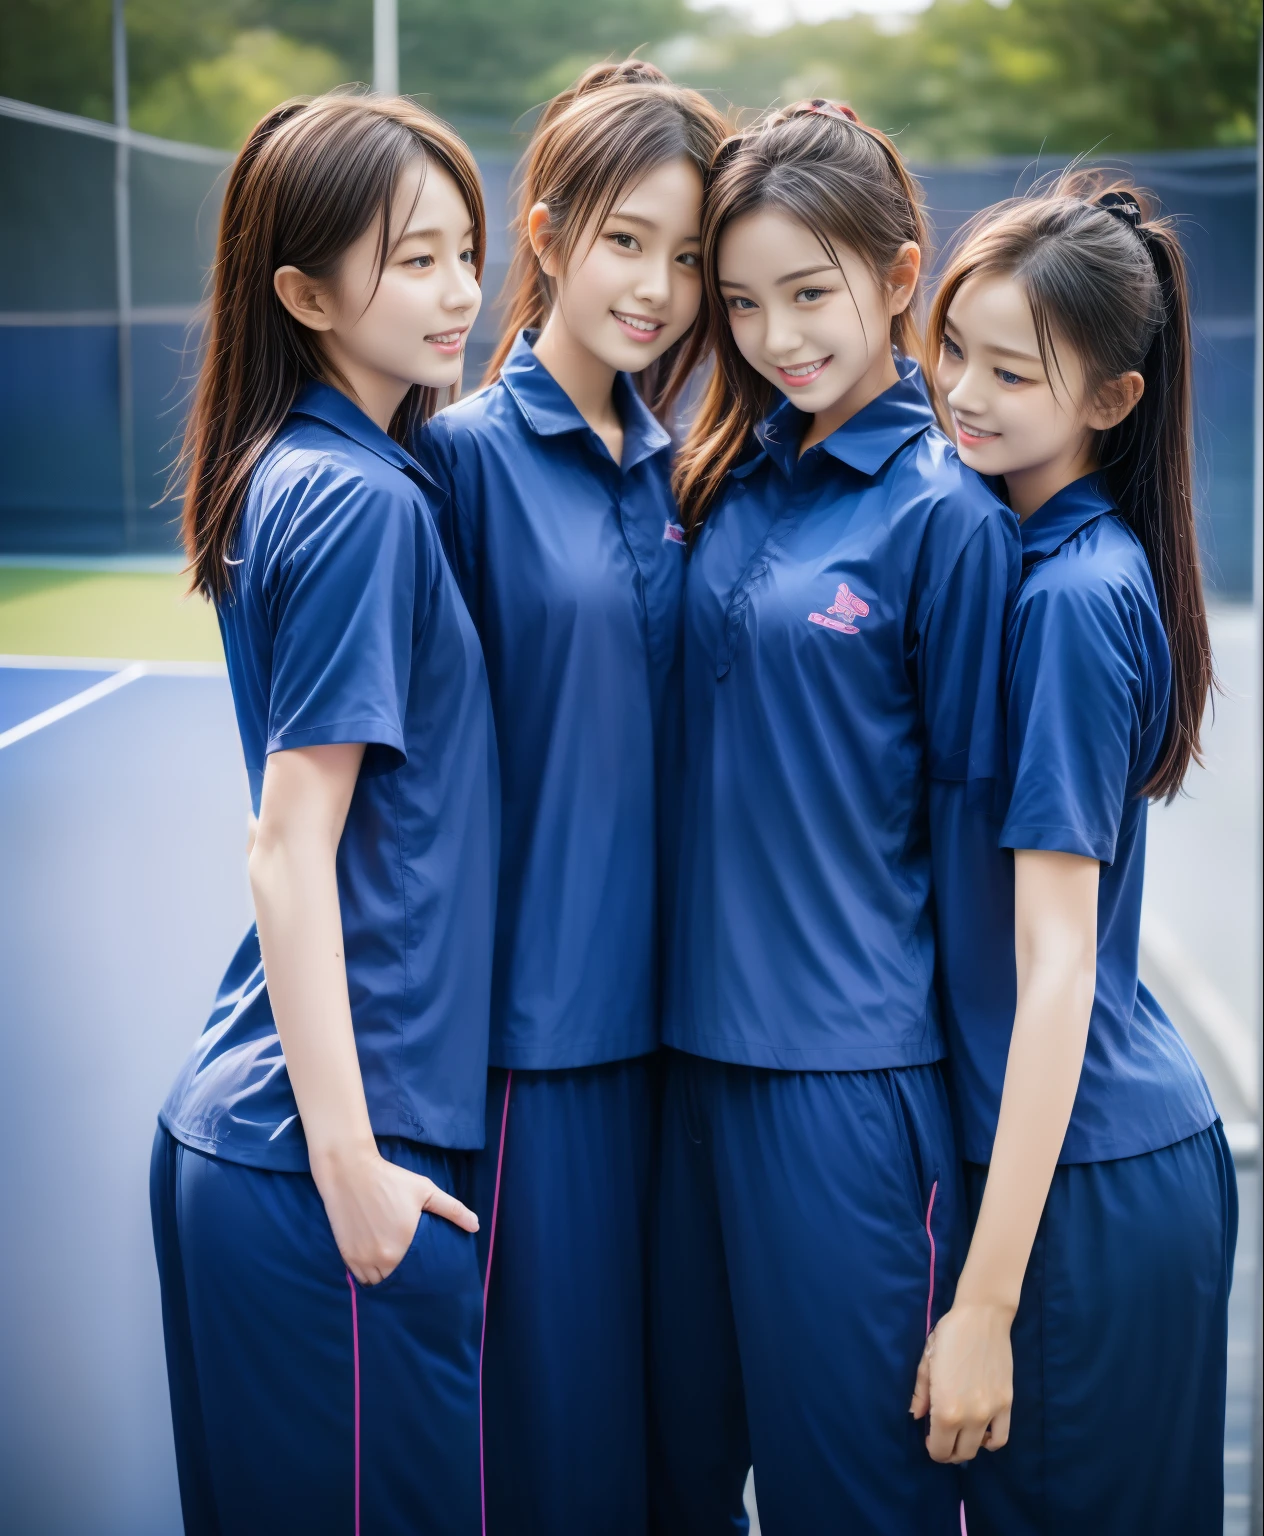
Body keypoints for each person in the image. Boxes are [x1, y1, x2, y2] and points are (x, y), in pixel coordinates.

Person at [650, 101, 1020, 1533]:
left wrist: (991, 1249)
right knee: (672, 1484)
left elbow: (986, 864)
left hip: (849, 1097)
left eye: (809, 292)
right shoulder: (727, 471)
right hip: (682, 1073)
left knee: (851, 1502)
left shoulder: (951, 515)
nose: (775, 334)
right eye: (740, 301)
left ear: (898, 272)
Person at [150, 93, 498, 1535]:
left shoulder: (314, 468)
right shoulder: (359, 502)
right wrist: (355, 1170)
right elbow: (288, 845)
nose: (460, 291)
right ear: (302, 294)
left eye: (466, 252)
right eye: (412, 260)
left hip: (267, 1150)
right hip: (328, 1168)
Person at [410, 61, 726, 1536]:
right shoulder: (460, 463)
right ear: (543, 236)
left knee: (683, 1448)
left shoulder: (675, 465)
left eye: (684, 255)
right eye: (624, 241)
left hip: (689, 1035)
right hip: (539, 1042)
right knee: (558, 1454)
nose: (657, 287)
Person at [914, 173, 1234, 1534]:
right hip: (1082, 1165)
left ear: (1112, 400)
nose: (964, 395)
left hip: (1084, 1192)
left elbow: (1054, 969)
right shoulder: (1044, 557)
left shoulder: (1069, 600)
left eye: (1013, 373)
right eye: (954, 351)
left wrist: (984, 1305)